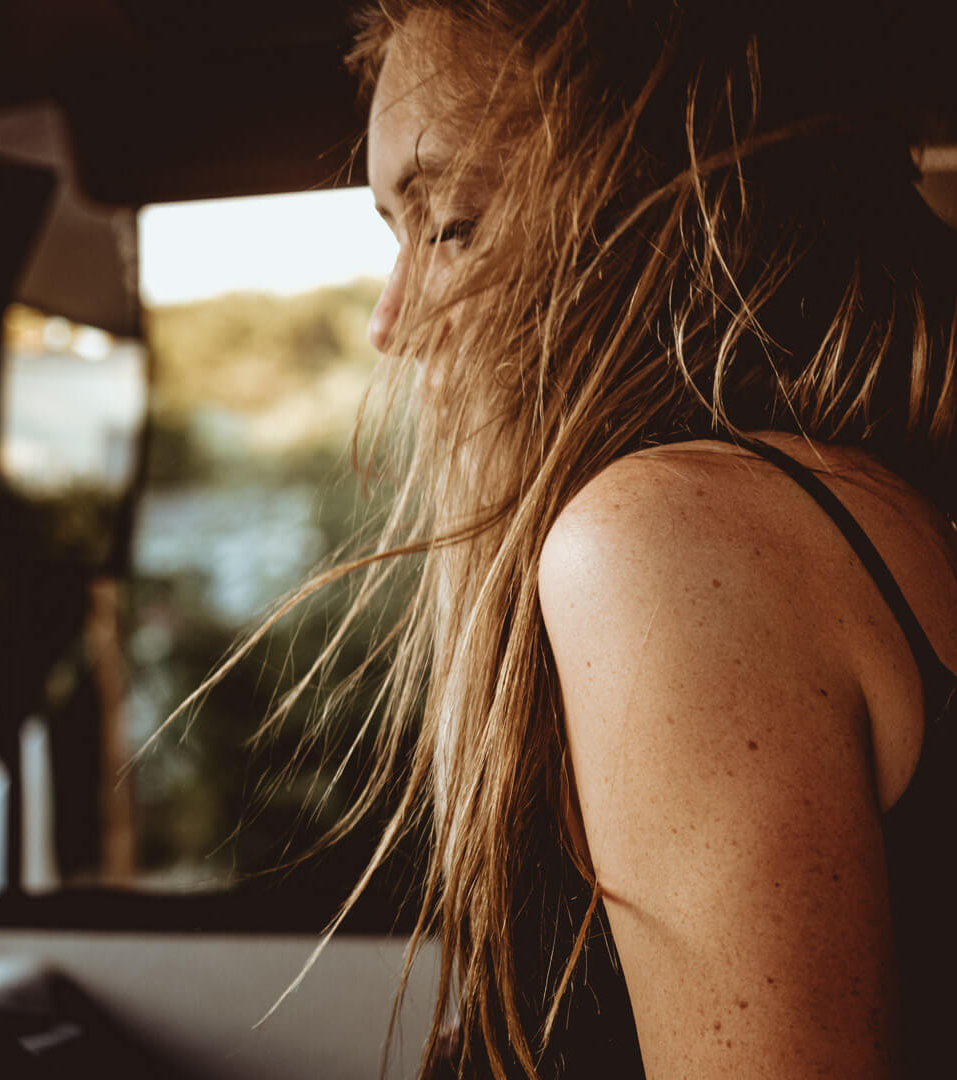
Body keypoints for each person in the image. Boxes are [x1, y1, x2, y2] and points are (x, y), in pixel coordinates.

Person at [246, 1, 957, 1076]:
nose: (391, 323)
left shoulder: (667, 539)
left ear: (670, 193)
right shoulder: (860, 495)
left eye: (451, 223)